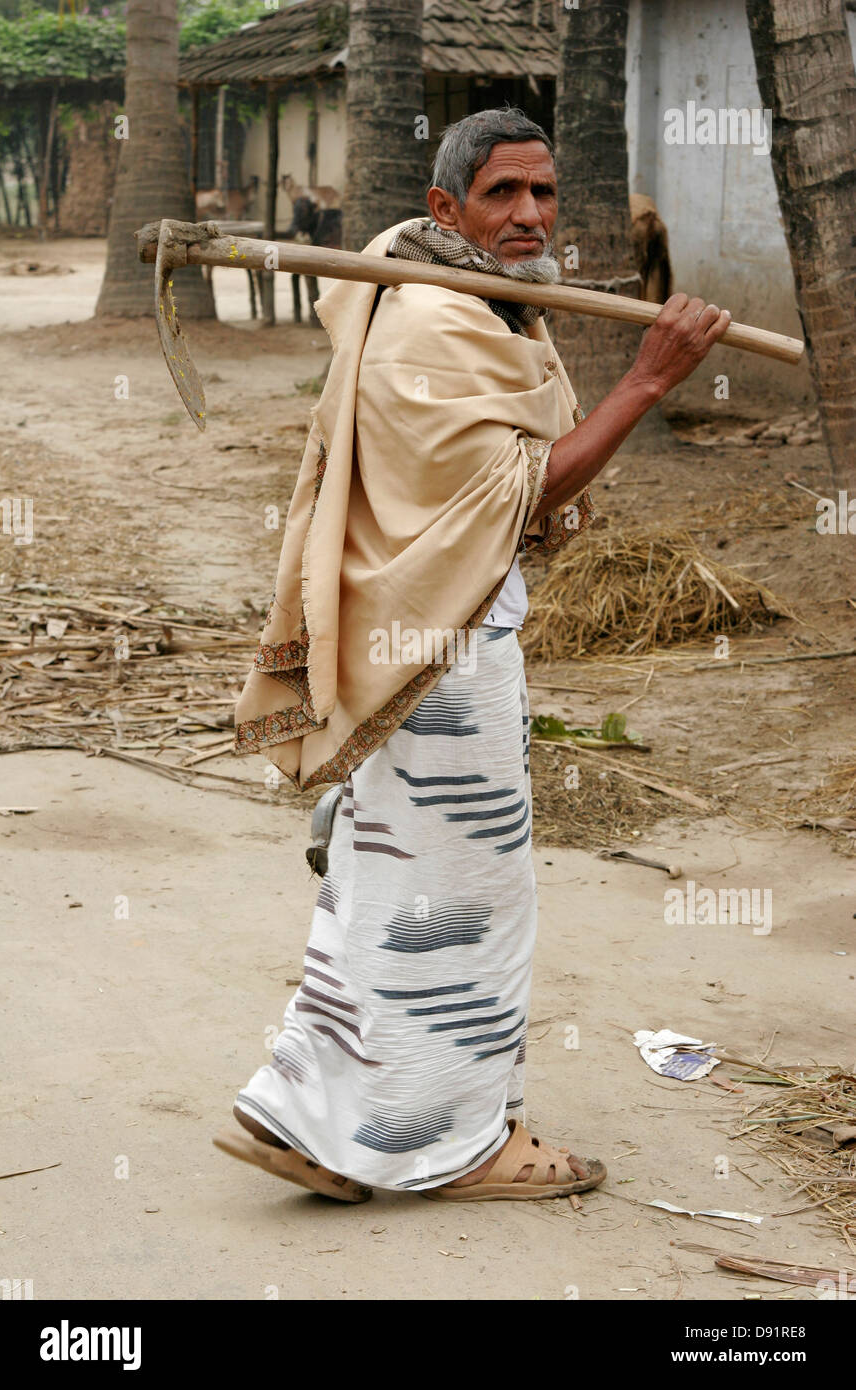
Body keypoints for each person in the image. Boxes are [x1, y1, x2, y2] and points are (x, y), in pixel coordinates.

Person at [214, 108, 731, 1203]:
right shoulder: (431, 323)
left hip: (426, 635)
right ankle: (457, 1144)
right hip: (437, 652)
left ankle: (316, 1114)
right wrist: (645, 382)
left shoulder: (470, 300)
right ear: (446, 207)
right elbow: (519, 494)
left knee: (386, 880)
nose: (529, 214)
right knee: (468, 896)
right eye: (502, 194)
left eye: (542, 192)